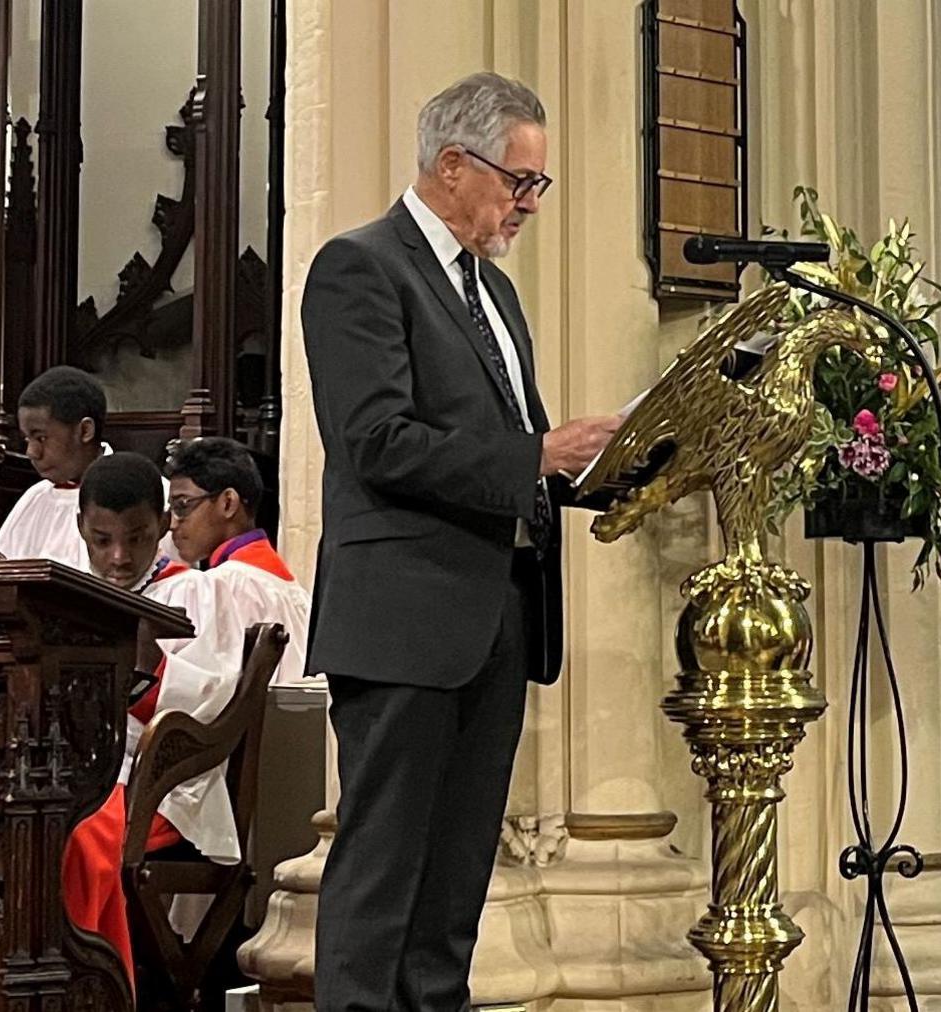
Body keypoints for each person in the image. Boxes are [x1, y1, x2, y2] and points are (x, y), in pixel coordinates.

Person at [302, 71, 620, 1010]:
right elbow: (376, 440)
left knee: (454, 882)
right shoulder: (360, 266)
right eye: (519, 182)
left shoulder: (497, 295)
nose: (528, 204)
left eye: (537, 186)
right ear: (452, 164)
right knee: (382, 874)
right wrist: (537, 454)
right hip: (404, 616)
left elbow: (520, 451)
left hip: (495, 613)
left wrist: (618, 466)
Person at [60, 452, 233, 989]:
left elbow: (215, 696)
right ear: (80, 527)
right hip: (76, 772)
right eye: (101, 539)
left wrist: (151, 665)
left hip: (158, 789)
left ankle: (101, 988)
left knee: (76, 836)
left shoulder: (192, 592)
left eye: (136, 539)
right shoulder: (68, 593)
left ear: (162, 525)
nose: (117, 557)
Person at [164, 436, 310, 684]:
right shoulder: (294, 589)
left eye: (183, 505)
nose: (173, 523)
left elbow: (202, 696)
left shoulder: (221, 586)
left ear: (228, 502)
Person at [0, 366, 114, 566]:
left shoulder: (144, 493)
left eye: (41, 437)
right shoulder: (33, 499)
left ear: (85, 431)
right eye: (27, 439)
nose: (31, 452)